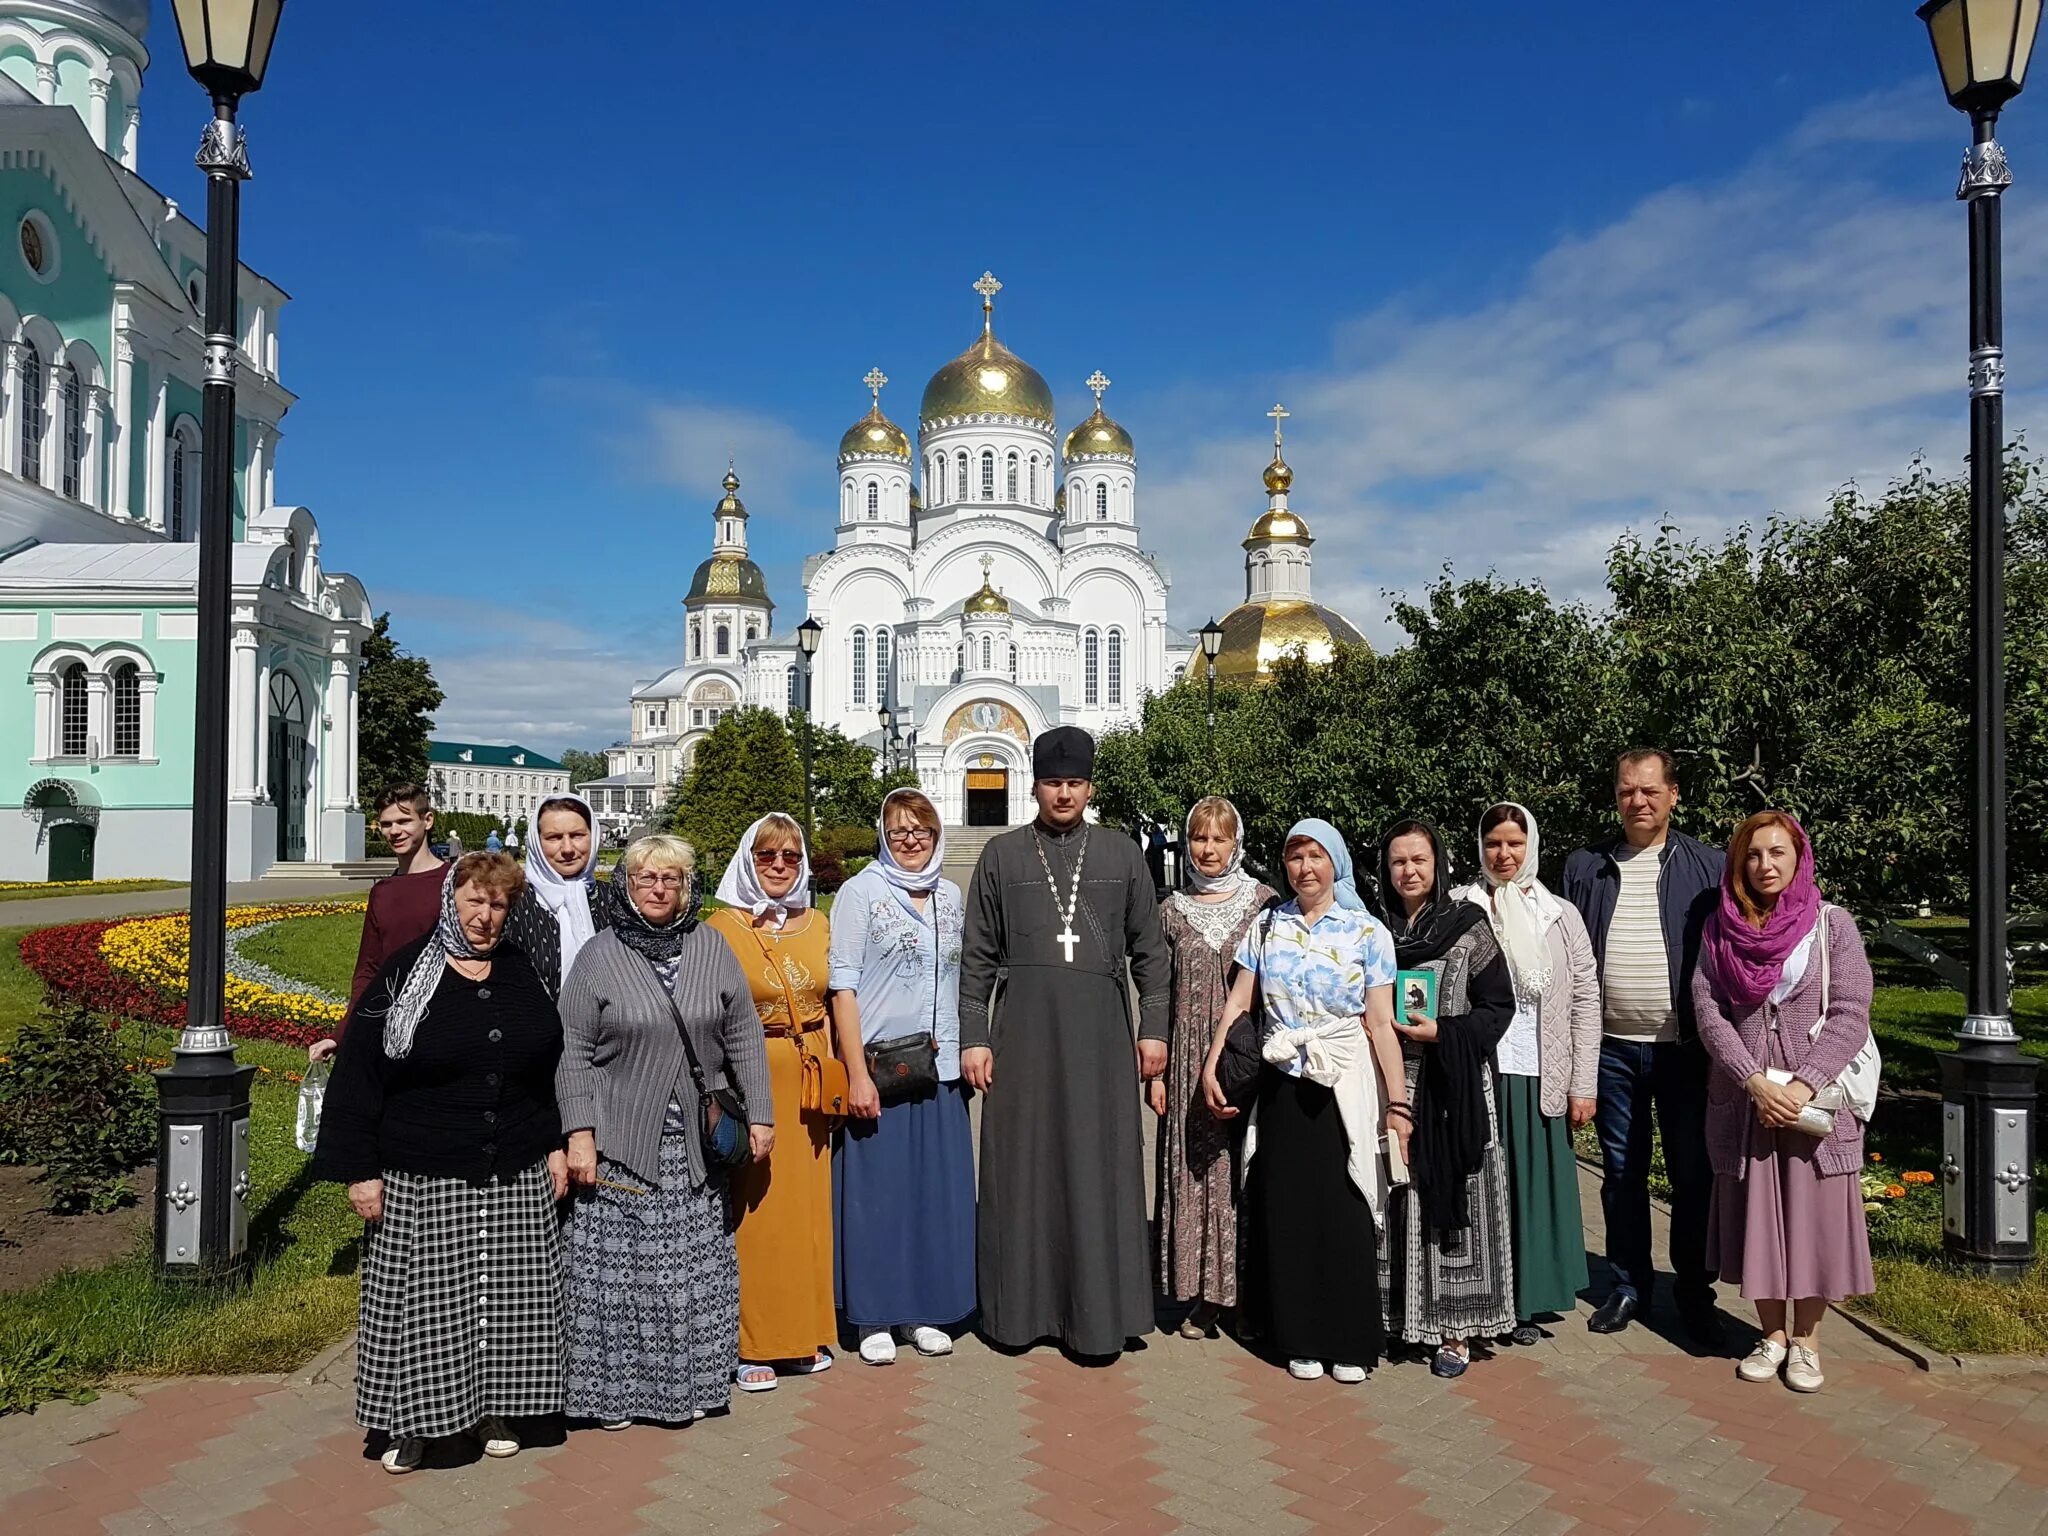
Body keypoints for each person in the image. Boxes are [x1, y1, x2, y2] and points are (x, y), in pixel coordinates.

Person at [311, 852, 568, 1474]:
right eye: (475, 901)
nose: (485, 916)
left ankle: (495, 1409)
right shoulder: (404, 975)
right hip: (422, 1170)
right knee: (424, 1307)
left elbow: (545, 1068)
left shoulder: (520, 971)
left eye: (499, 904)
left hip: (513, 1167)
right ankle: (413, 1422)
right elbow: (358, 1076)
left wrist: (556, 1142)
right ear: (452, 901)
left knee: (508, 1300)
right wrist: (360, 1169)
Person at [960, 725, 1169, 1357]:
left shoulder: (1120, 854)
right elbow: (976, 956)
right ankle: (1019, 1315)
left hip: (1102, 1034)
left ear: (1089, 787)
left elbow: (1150, 953)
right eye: (1053, 783)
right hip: (1021, 1032)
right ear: (1034, 786)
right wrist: (975, 1037)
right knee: (1024, 1166)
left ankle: (1101, 1315)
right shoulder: (1001, 855)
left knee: (1096, 1164)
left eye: (1074, 783)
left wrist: (1153, 1029)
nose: (1064, 794)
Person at [556, 833, 773, 1428]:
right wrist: (578, 1131)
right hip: (621, 1146)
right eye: (646, 878)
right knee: (617, 1284)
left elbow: (743, 1036)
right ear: (626, 886)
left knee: (691, 1279)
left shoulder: (711, 946)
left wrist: (760, 1114)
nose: (658, 888)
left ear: (686, 887)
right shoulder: (599, 955)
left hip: (696, 1152)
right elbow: (572, 1050)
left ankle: (694, 1386)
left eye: (670, 879)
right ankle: (615, 1397)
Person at [1202, 819, 1406, 1382]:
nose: (1304, 867)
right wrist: (1213, 1060)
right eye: (1295, 856)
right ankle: (1298, 1336)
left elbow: (1381, 1023)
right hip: (1282, 1081)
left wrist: (1398, 1103)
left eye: (1316, 855)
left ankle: (1349, 1339)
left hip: (1342, 1082)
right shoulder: (1268, 926)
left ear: (1335, 863)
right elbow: (1239, 1001)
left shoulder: (1367, 933)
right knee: (1287, 1209)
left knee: (1347, 1205)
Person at [1694, 812, 1875, 1394]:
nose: (1764, 865)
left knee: (1815, 1222)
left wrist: (1804, 1083)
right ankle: (1771, 1334)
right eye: (1752, 855)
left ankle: (1809, 1340)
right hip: (1747, 1101)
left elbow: (1851, 1009)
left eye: (1776, 853)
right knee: (1757, 1218)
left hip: (1811, 1103)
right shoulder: (1721, 929)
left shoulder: (1832, 925)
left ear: (1799, 857)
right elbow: (1707, 1009)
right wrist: (1751, 1079)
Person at [1560, 748, 1727, 1346]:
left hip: (1685, 1052)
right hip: (1613, 1051)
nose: (1639, 801)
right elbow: (1572, 965)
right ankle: (1627, 1285)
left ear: (1674, 794)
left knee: (1692, 1174)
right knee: (1622, 1174)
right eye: (1628, 790)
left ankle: (1693, 1293)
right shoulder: (1587, 867)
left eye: (1651, 791)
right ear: (1616, 795)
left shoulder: (1707, 866)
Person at [828, 787, 974, 1365]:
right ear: (883, 835)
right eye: (898, 830)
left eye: (921, 830)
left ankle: (924, 1310)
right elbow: (844, 987)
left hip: (939, 1070)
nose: (910, 840)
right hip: (883, 1068)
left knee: (931, 1195)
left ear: (936, 835)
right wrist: (856, 1073)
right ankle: (874, 1315)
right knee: (878, 1195)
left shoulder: (951, 896)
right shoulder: (860, 893)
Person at [1377, 818, 1517, 1379]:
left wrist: (1445, 1033)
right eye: (1397, 862)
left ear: (1438, 865)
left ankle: (1456, 1330)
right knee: (1397, 1199)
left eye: (1419, 860)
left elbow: (1498, 1008)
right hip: (1395, 1084)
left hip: (1455, 1086)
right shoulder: (1373, 931)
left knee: (1457, 1197)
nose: (1409, 871)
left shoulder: (1468, 927)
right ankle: (1399, 1318)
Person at [1458, 803, 1600, 1345]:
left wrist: (1582, 1082)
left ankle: (1528, 1298)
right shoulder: (1464, 908)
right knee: (1485, 1188)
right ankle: (1482, 1296)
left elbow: (1585, 998)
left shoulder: (1558, 915)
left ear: (1531, 846)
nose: (1504, 854)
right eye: (1494, 843)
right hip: (1484, 1069)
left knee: (1532, 1189)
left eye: (1514, 843)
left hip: (1542, 1073)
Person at [707, 814, 838, 1389]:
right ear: (747, 860)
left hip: (809, 1080)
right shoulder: (720, 928)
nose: (780, 866)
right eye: (767, 857)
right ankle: (754, 1341)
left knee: (808, 1213)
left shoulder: (820, 923)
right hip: (752, 1078)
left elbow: (836, 998)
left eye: (789, 856)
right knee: (758, 1211)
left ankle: (806, 1331)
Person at [1155, 795, 1276, 1339]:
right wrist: (1155, 1071)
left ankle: (1246, 1292)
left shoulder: (1265, 904)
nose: (1208, 848)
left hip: (1247, 1058)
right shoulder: (1171, 911)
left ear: (1236, 843)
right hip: (1184, 1059)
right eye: (1200, 838)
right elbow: (1156, 992)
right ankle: (1203, 1293)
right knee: (1195, 1169)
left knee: (1244, 1169)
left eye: (1219, 838)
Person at [310, 783, 446, 1062]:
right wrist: (340, 1034)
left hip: (443, 1023)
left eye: (404, 821)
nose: (394, 831)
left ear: (427, 820)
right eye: (386, 824)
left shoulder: (454, 883)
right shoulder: (382, 892)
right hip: (391, 1027)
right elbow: (368, 970)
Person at [504, 792, 608, 999]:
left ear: (593, 836)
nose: (567, 849)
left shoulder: (614, 900)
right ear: (536, 841)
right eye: (554, 838)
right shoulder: (513, 902)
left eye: (577, 835)